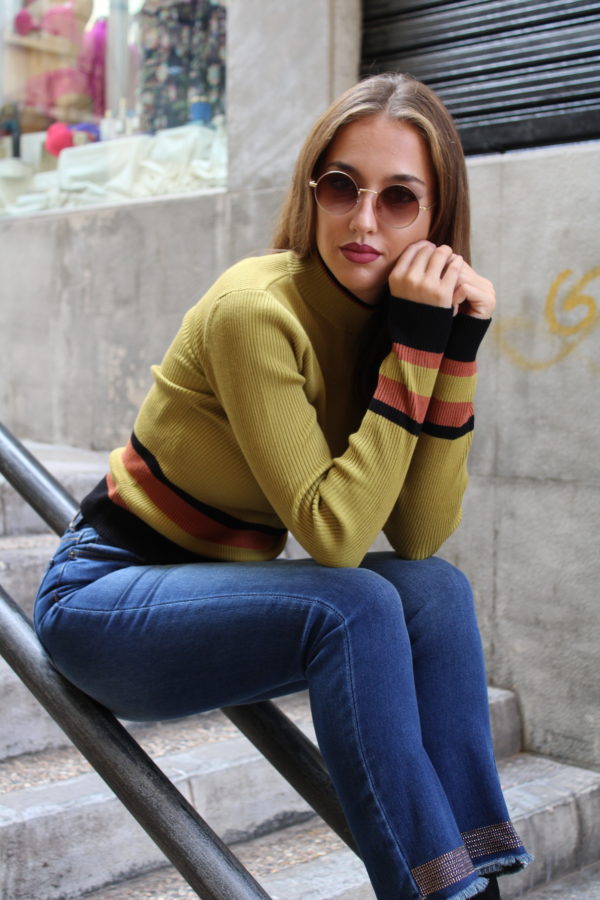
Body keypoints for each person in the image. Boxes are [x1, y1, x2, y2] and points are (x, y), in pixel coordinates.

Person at [34, 72, 532, 899]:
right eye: (342, 187)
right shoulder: (256, 310)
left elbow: (418, 534)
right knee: (356, 604)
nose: (363, 220)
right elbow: (334, 538)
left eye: (399, 198)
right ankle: (440, 891)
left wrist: (454, 350)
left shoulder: (393, 325)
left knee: (437, 591)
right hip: (104, 603)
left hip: (217, 599)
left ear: (437, 220)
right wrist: (418, 347)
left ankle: (478, 868)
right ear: (312, 193)